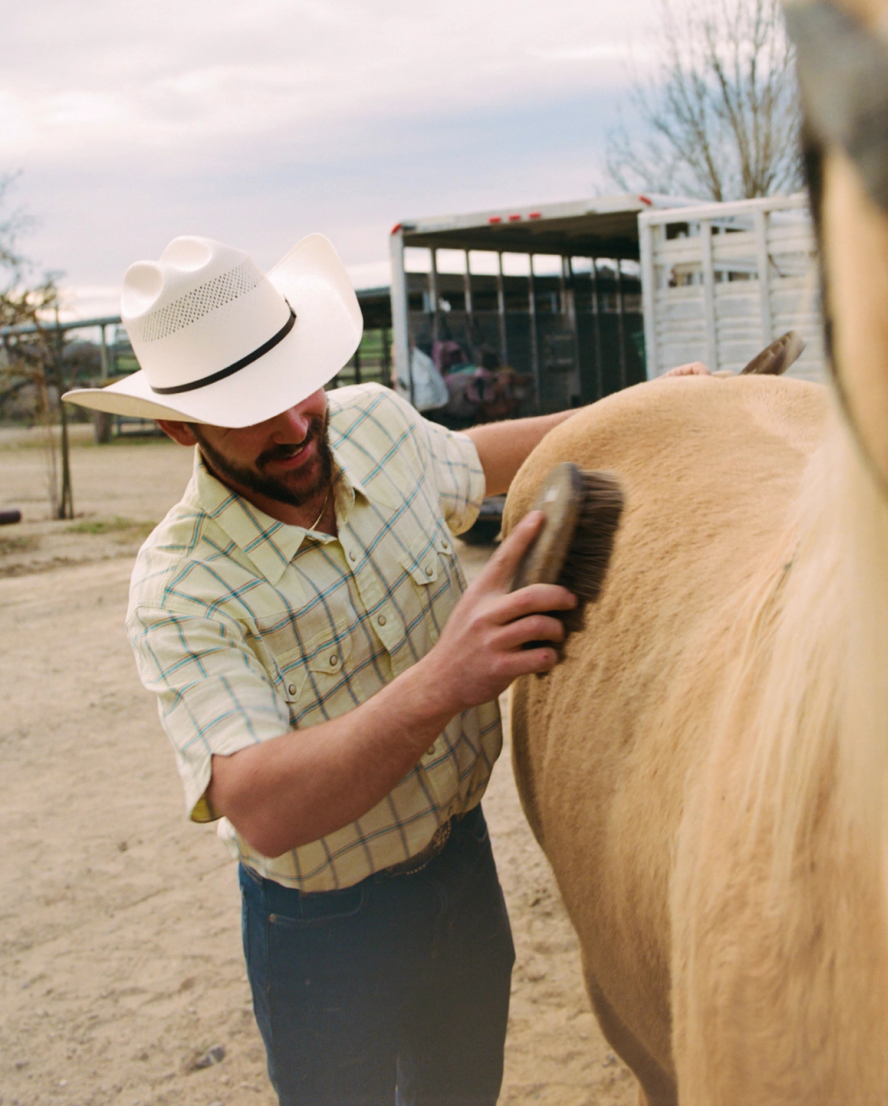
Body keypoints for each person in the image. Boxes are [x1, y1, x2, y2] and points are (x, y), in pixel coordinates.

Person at [63, 233, 587, 1106]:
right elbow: (264, 804)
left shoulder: (376, 423)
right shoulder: (179, 589)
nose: (295, 425)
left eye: (294, 384)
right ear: (176, 427)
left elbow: (477, 458)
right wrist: (443, 678)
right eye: (247, 409)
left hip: (459, 867)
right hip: (323, 932)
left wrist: (645, 407)